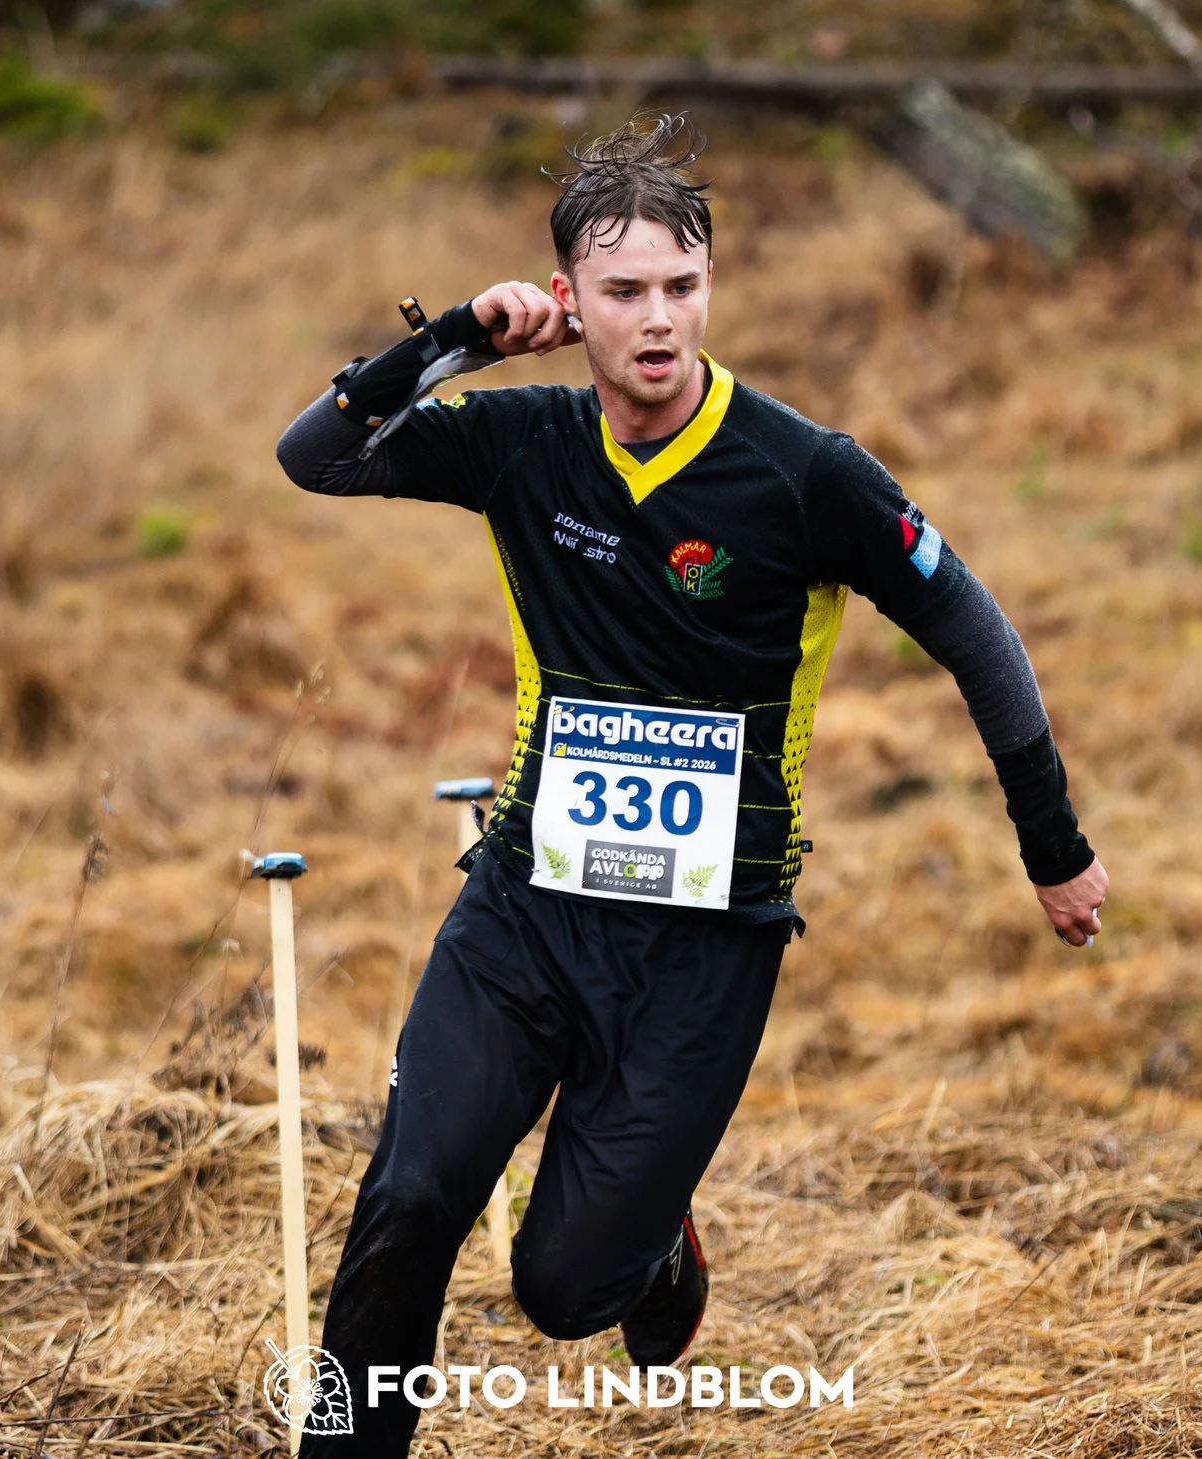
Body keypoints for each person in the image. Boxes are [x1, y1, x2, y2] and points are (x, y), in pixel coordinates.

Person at [273, 114, 1109, 1456]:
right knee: (413, 1193)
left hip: (705, 946)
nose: (657, 319)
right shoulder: (524, 443)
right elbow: (315, 454)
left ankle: (654, 1241)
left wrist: (1052, 846)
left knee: (561, 1290)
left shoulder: (806, 472)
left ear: (709, 290)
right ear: (570, 304)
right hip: (528, 907)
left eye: (682, 287)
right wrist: (452, 348)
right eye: (623, 293)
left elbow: (977, 634)